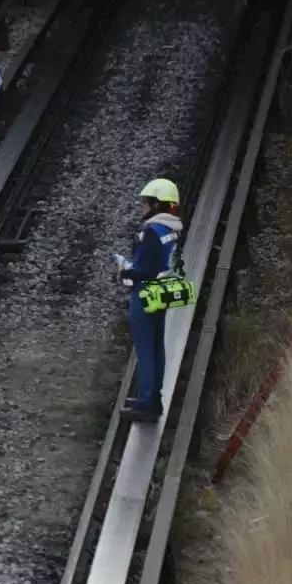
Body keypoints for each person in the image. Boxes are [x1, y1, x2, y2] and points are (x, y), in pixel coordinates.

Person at [114, 179, 187, 424]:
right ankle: (153, 397)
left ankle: (146, 403)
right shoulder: (172, 229)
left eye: (145, 203)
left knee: (144, 348)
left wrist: (124, 271)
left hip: (145, 292)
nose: (142, 208)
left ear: (156, 204)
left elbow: (144, 269)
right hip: (162, 292)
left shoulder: (151, 231)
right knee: (157, 346)